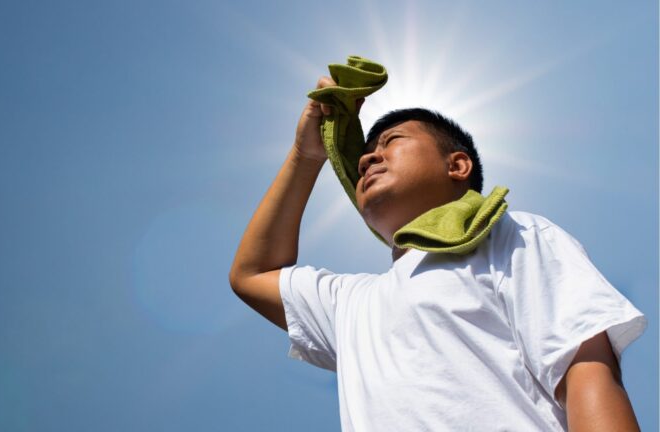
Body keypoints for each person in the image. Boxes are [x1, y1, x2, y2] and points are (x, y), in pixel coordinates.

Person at [228, 76, 646, 431]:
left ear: (457, 166)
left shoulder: (510, 235)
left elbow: (585, 368)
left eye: (392, 141)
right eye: (362, 162)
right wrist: (306, 155)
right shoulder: (350, 303)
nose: (370, 157)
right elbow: (251, 273)